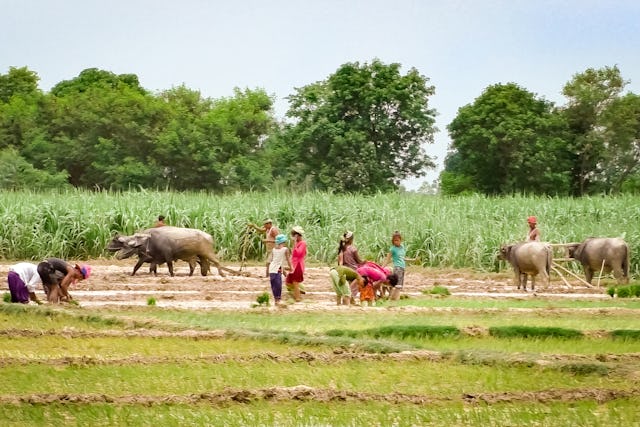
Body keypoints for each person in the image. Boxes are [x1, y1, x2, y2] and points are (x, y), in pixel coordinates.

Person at [383, 231, 414, 301]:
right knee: (397, 285)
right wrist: (382, 267)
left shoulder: (402, 247)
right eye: (394, 241)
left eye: (397, 240)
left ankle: (394, 298)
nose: (396, 242)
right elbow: (387, 259)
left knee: (399, 285)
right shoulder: (392, 249)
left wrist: (413, 260)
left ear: (401, 240)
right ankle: (395, 299)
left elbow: (403, 258)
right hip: (397, 267)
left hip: (402, 267)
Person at [338, 231, 365, 303]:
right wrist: (365, 262)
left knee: (348, 285)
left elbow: (340, 262)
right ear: (351, 239)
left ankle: (350, 300)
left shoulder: (342, 249)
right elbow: (359, 261)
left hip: (345, 271)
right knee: (354, 286)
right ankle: (349, 298)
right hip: (353, 271)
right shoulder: (353, 249)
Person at [266, 234, 292, 306]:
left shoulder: (274, 250)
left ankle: (276, 300)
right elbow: (288, 260)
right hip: (277, 269)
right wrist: (291, 268)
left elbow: (270, 261)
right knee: (278, 284)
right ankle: (278, 299)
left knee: (274, 284)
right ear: (283, 242)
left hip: (272, 269)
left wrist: (267, 271)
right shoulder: (285, 249)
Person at [285, 226, 306, 302]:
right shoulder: (297, 243)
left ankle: (297, 298)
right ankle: (298, 293)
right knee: (288, 282)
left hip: (298, 265)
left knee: (295, 282)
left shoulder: (302, 243)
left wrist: (294, 244)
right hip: (294, 265)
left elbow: (299, 253)